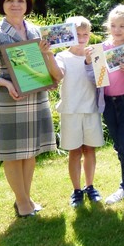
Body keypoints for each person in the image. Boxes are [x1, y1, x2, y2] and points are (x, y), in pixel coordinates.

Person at [0, 0, 58, 217]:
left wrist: (48, 65)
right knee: (13, 153)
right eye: (10, 0)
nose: (15, 4)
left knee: (30, 151)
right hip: (10, 98)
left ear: (27, 5)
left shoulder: (36, 31)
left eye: (20, 0)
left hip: (36, 96)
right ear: (1, 4)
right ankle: (22, 202)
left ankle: (26, 197)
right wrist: (6, 83)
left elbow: (44, 63)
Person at [91, 5, 124, 205]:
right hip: (109, 104)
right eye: (113, 25)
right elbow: (96, 78)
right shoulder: (100, 49)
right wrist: (91, 63)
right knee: (119, 146)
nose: (117, 29)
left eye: (122, 26)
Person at [52, 16, 104, 207]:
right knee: (74, 151)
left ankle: (90, 186)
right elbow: (59, 73)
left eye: (85, 34)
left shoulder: (97, 53)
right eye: (77, 34)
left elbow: (101, 80)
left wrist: (92, 62)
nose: (82, 38)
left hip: (91, 110)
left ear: (90, 34)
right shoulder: (62, 56)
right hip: (70, 110)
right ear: (69, 36)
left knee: (90, 150)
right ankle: (76, 190)